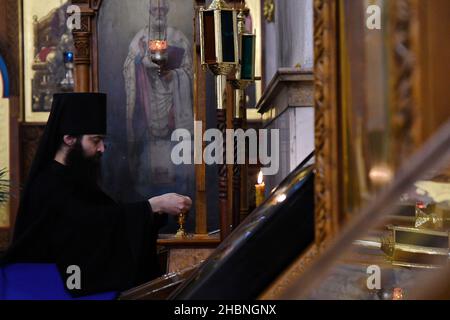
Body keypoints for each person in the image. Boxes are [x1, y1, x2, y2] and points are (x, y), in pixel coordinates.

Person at [1, 93, 192, 297]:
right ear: (69, 139)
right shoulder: (47, 183)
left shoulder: (76, 178)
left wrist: (153, 213)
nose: (102, 148)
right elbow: (89, 227)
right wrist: (153, 206)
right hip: (48, 288)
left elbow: (106, 218)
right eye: (95, 140)